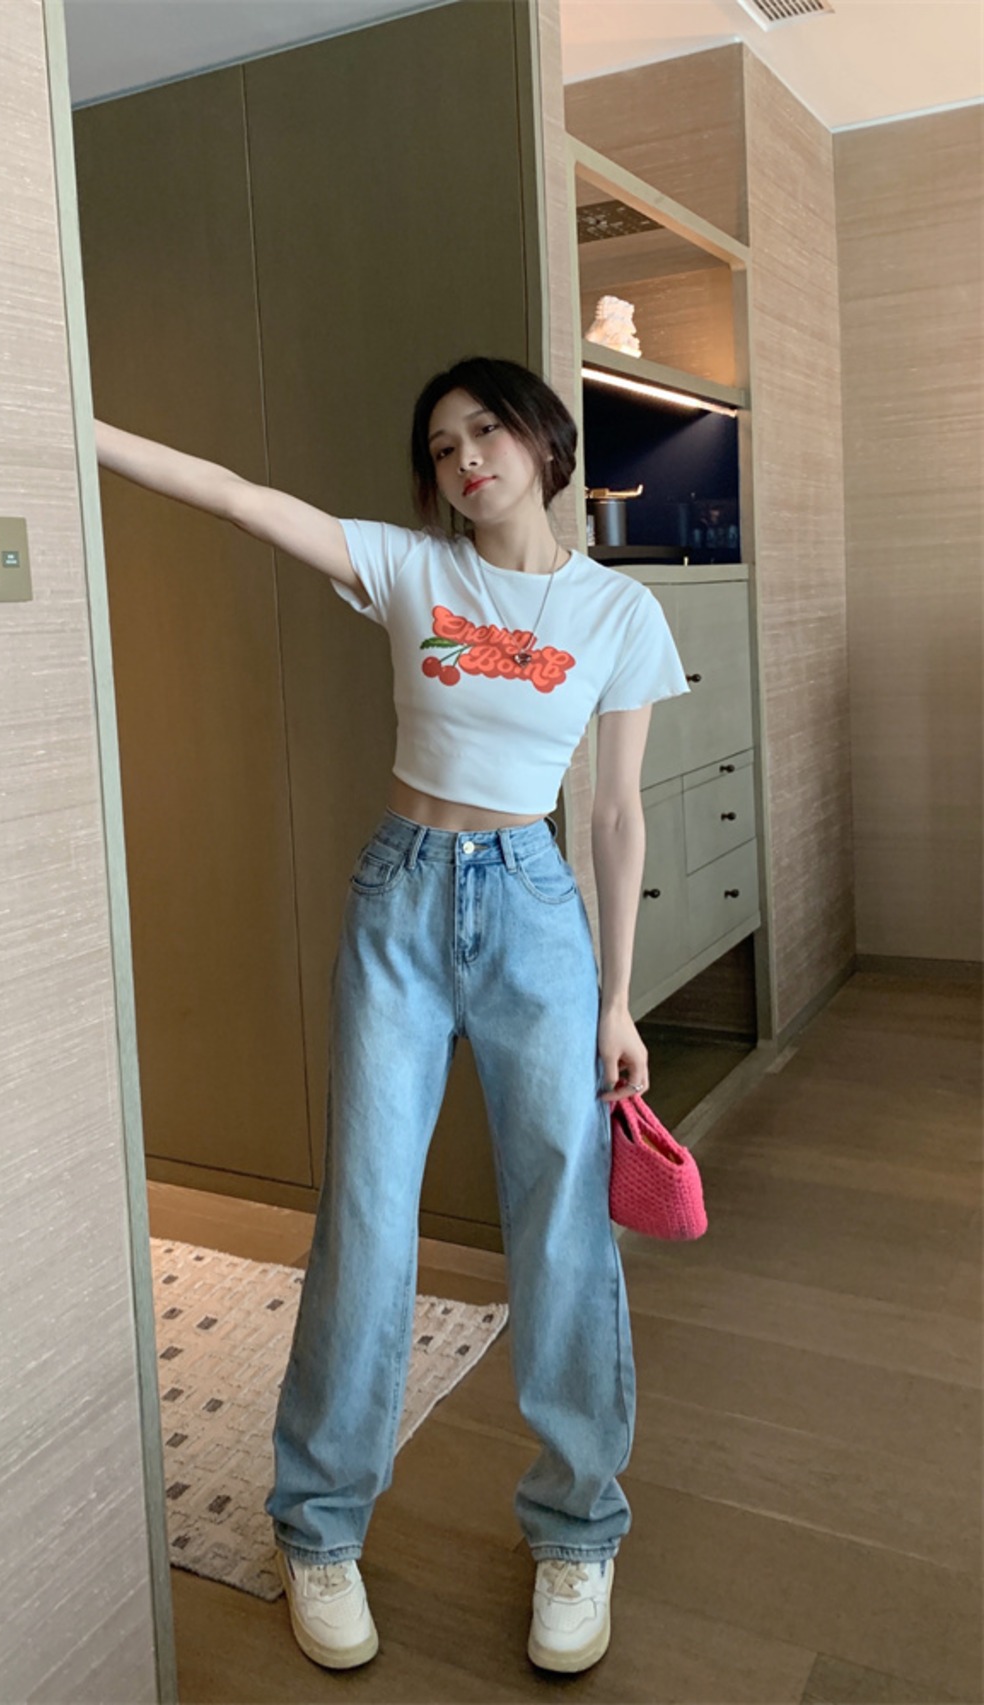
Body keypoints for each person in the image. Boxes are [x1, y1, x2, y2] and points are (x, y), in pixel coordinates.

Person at [94, 355, 689, 1676]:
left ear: (543, 442)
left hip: (534, 906)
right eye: (440, 446)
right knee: (366, 1213)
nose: (465, 459)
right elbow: (237, 497)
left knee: (562, 1217)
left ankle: (577, 1527)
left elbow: (614, 812)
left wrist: (617, 999)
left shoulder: (619, 610)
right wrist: (78, 424)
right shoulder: (408, 568)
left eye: (486, 432)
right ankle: (317, 1528)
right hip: (401, 899)